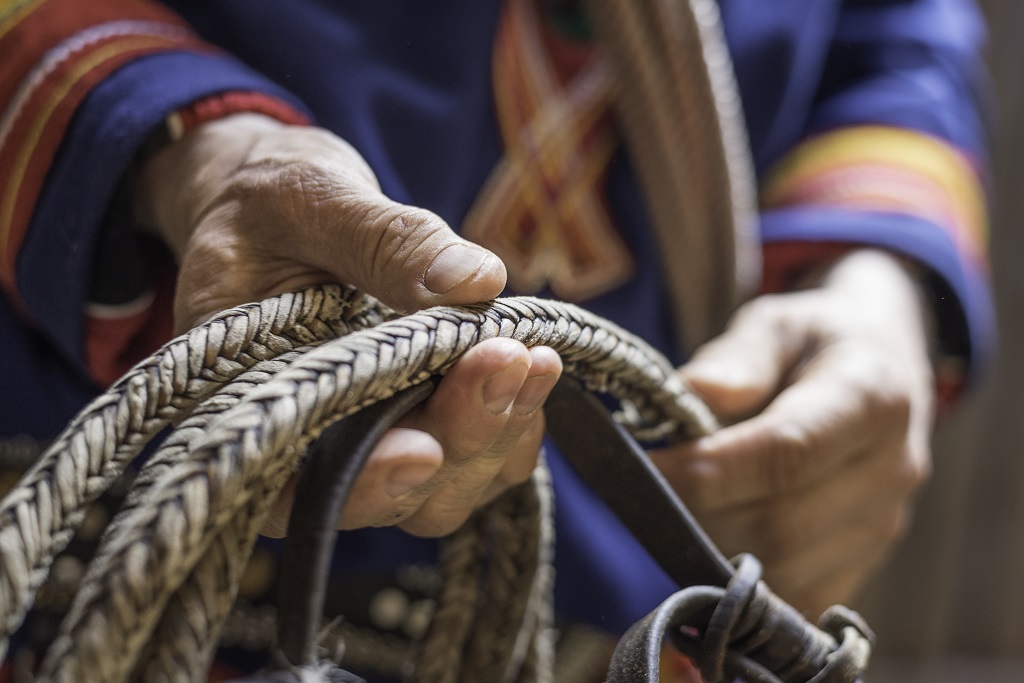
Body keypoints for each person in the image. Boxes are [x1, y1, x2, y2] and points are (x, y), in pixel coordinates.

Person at [0, 0, 993, 680]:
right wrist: (181, 150)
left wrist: (873, 274)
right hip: (81, 546)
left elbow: (893, 33)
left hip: (617, 605)